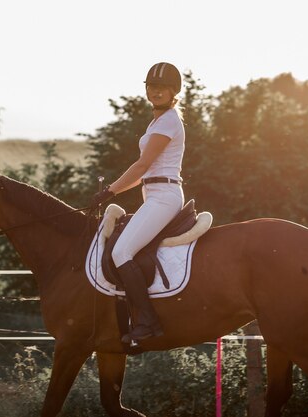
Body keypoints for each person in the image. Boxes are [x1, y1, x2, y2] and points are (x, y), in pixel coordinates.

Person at [91, 62, 185, 343]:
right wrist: (114, 191)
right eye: (151, 87)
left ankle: (148, 321)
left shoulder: (169, 120)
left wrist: (109, 191)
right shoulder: (157, 120)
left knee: (121, 253)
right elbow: (142, 176)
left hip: (165, 197)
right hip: (154, 194)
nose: (155, 92)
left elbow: (143, 165)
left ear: (172, 91)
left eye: (162, 88)